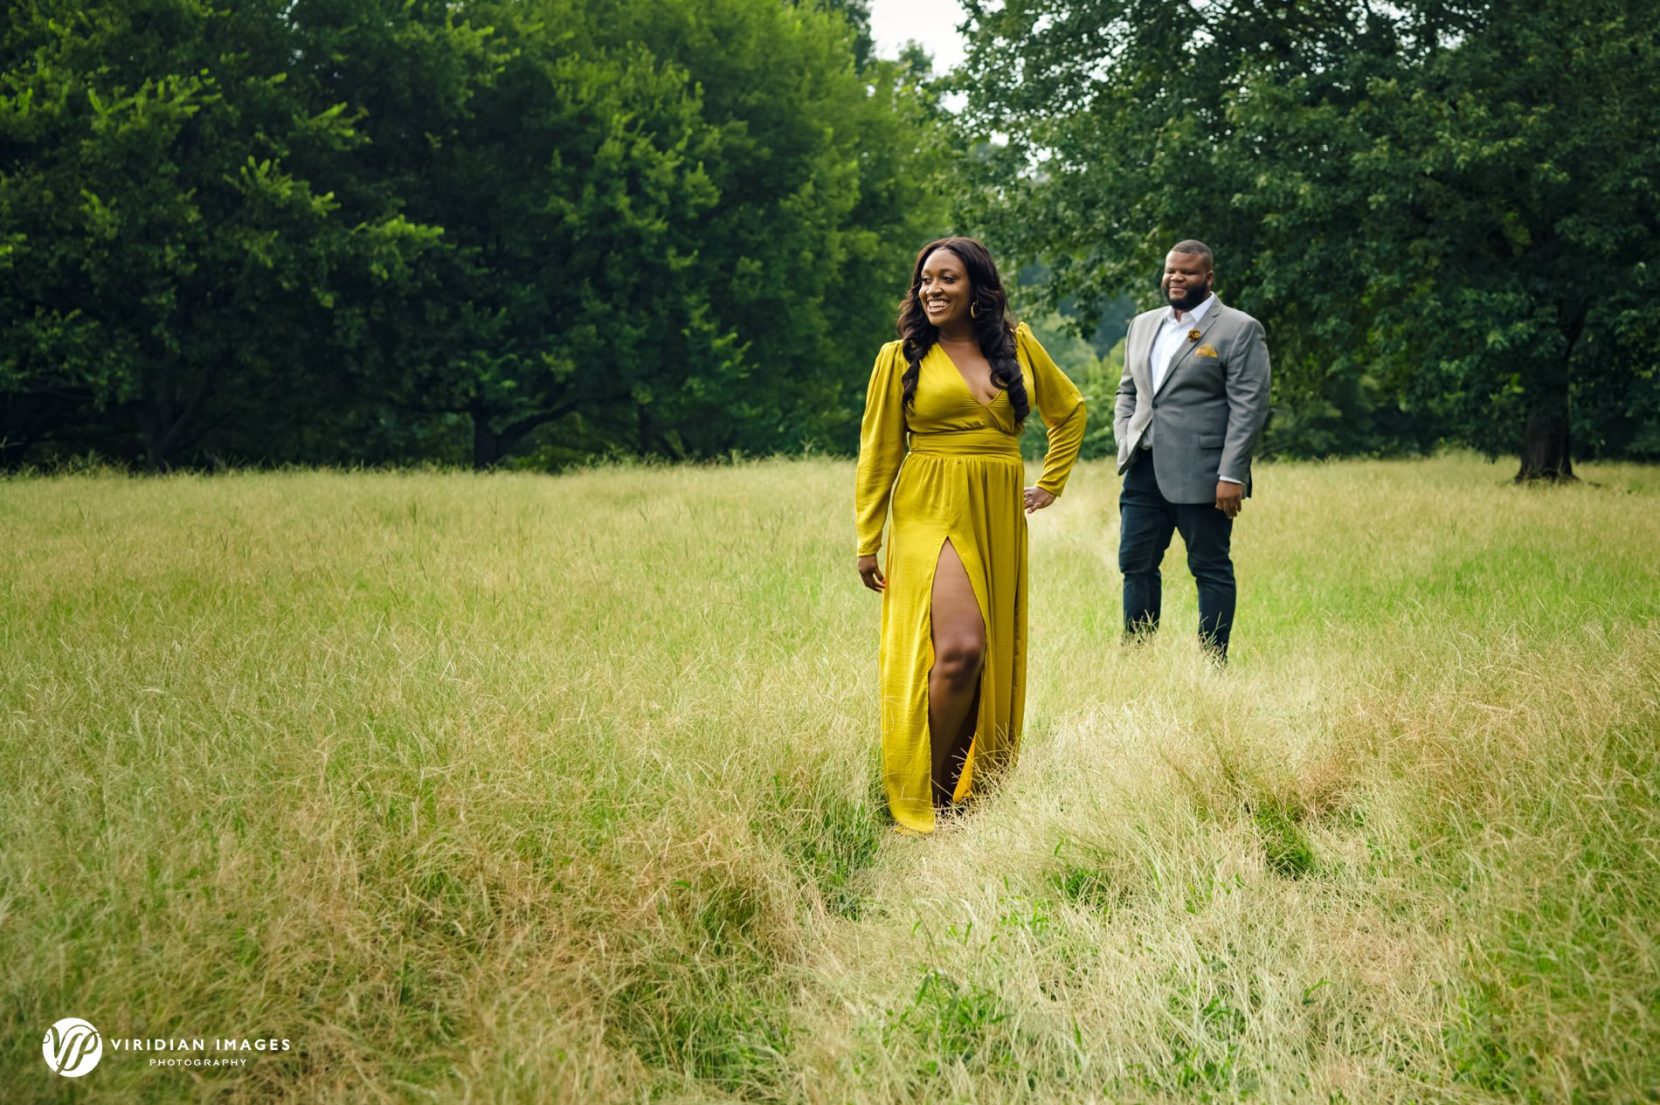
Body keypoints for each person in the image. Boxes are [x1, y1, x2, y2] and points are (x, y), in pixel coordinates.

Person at [855, 237, 1086, 833]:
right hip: (930, 504)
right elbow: (878, 452)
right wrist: (867, 537)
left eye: (947, 279)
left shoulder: (1018, 346)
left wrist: (1050, 483)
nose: (932, 289)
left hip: (997, 508)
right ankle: (919, 800)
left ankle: (954, 799)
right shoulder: (899, 357)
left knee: (980, 658)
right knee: (959, 650)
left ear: (977, 288)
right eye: (925, 279)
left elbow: (1072, 410)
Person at [1114, 239, 1271, 661]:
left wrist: (1232, 475)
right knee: (1135, 564)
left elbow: (1248, 408)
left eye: (1187, 272)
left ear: (1208, 277)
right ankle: (1137, 658)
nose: (1176, 278)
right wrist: (1124, 436)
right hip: (1143, 469)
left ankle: (1211, 662)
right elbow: (1128, 390)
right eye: (1171, 270)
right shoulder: (1143, 324)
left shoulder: (1239, 328)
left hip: (1206, 475)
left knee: (1209, 567)